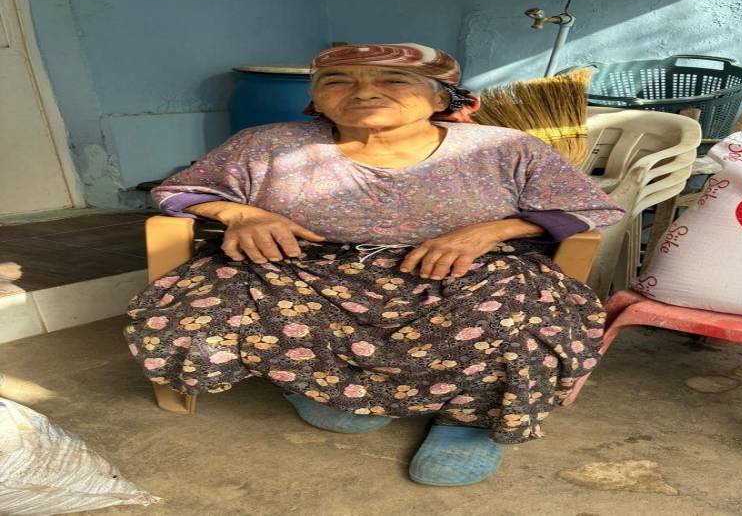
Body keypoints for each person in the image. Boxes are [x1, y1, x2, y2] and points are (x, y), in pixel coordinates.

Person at [125, 43, 625, 486]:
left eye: (394, 80)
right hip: (304, 269)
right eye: (338, 81)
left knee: (519, 307)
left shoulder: (504, 147)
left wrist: (491, 230)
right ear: (316, 99)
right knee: (221, 293)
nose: (364, 91)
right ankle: (312, 384)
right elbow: (180, 190)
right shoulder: (265, 144)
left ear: (441, 98)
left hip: (463, 272)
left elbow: (585, 207)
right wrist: (242, 214)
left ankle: (470, 420)